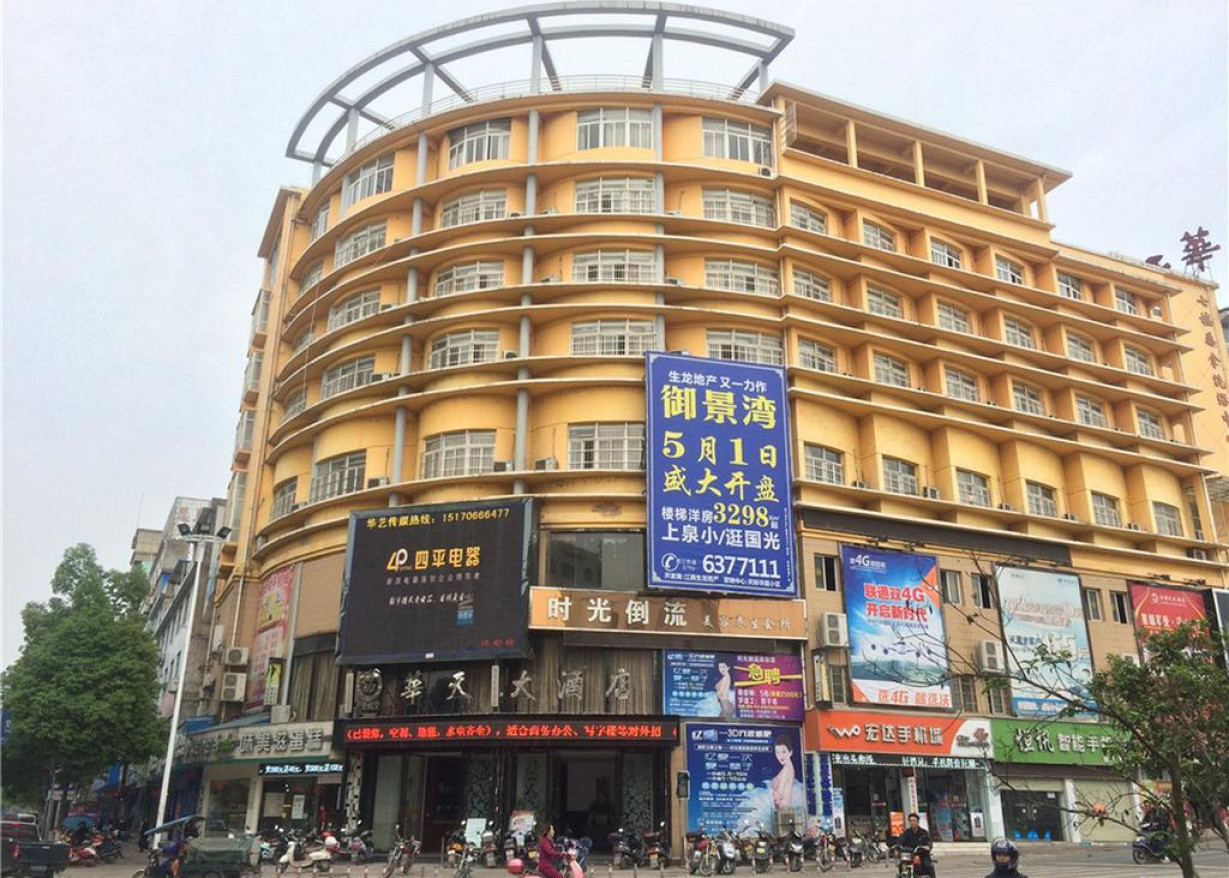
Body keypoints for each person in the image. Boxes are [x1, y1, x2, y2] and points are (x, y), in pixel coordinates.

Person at [896, 813, 935, 878]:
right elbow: (900, 840)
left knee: (928, 865)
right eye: (911, 821)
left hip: (922, 854)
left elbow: (929, 842)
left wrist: (927, 846)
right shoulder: (906, 833)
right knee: (901, 865)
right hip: (909, 855)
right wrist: (897, 847)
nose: (912, 823)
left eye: (914, 821)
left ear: (918, 822)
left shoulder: (923, 833)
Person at [771, 735, 797, 810]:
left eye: (783, 752)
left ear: (790, 752)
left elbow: (779, 795)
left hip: (784, 810)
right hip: (785, 809)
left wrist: (774, 792)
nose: (780, 756)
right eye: (777, 752)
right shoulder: (786, 768)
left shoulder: (787, 770)